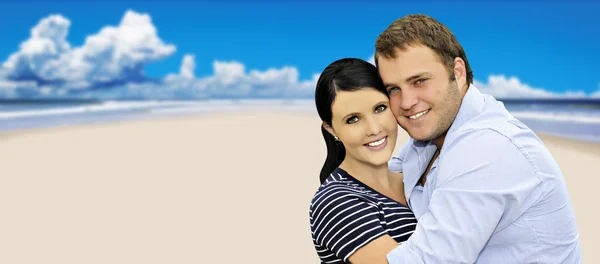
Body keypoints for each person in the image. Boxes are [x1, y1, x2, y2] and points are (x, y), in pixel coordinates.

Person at [372, 14, 582, 263]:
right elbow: (379, 183)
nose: (406, 102)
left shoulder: (487, 147)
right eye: (393, 89)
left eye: (419, 81)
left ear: (458, 72)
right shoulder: (429, 141)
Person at [309, 58, 418, 264]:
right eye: (353, 119)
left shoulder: (415, 178)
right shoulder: (335, 202)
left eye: (380, 108)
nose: (374, 129)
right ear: (331, 129)